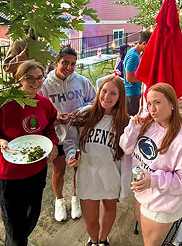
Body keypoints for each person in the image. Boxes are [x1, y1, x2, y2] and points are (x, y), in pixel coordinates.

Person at [0, 61, 59, 246]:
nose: (36, 82)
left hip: (37, 170)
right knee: (14, 226)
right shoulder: (3, 105)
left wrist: (53, 145)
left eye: (40, 77)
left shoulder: (45, 104)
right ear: (18, 80)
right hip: (10, 173)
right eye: (29, 78)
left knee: (32, 216)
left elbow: (49, 130)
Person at [120, 83, 182, 246]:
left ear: (172, 104)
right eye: (149, 103)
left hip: (161, 203)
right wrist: (134, 126)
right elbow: (125, 147)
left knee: (150, 243)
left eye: (157, 102)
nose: (152, 108)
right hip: (143, 193)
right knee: (145, 235)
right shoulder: (147, 124)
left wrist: (153, 180)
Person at [64, 76, 130, 246]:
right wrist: (72, 155)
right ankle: (93, 241)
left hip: (111, 176)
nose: (107, 97)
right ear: (98, 91)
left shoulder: (124, 122)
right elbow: (70, 140)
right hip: (87, 175)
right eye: (104, 91)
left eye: (113, 93)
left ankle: (103, 240)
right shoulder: (85, 114)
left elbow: (129, 152)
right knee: (91, 219)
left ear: (120, 97)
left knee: (109, 209)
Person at [41, 47, 96, 222]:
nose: (69, 67)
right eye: (65, 63)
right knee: (58, 170)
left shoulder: (81, 81)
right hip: (57, 135)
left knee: (77, 168)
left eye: (73, 64)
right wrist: (55, 116)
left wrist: (80, 110)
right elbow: (40, 109)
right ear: (57, 62)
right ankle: (59, 200)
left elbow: (93, 101)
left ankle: (75, 197)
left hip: (78, 133)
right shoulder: (45, 85)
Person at [123, 31, 152, 116]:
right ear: (144, 43)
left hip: (135, 91)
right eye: (149, 46)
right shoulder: (133, 56)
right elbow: (129, 78)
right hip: (132, 93)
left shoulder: (136, 53)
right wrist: (146, 76)